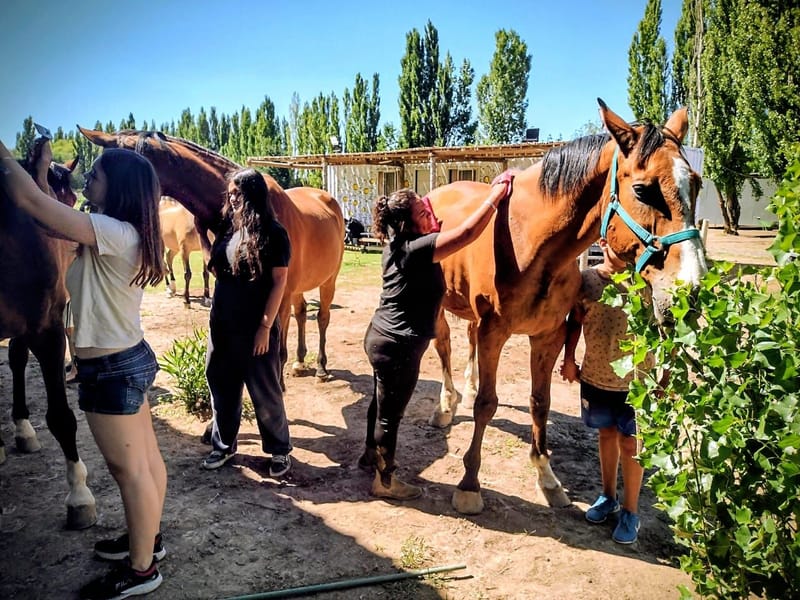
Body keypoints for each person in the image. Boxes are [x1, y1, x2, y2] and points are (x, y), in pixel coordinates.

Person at [1, 139, 168, 598]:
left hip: (110, 368)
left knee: (128, 470)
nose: (86, 179)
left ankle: (141, 571)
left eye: (96, 174)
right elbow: (46, 215)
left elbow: (31, 203)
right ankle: (148, 541)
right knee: (146, 463)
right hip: (125, 358)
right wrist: (40, 172)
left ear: (119, 188)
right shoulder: (121, 231)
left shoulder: (110, 231)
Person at [360, 173, 515, 500]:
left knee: (380, 401)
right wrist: (495, 196)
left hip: (382, 337)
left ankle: (370, 456)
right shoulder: (417, 249)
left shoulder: (398, 246)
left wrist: (432, 224)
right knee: (390, 415)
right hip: (398, 345)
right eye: (422, 213)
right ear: (407, 224)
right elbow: (468, 233)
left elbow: (437, 234)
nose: (430, 214)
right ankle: (384, 482)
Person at [202, 168, 293, 479]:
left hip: (256, 328)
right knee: (222, 386)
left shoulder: (273, 233)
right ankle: (224, 445)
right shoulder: (227, 228)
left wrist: (265, 328)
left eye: (237, 193)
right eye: (230, 193)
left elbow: (280, 282)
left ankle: (279, 449)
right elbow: (218, 270)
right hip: (222, 326)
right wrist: (202, 237)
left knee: (265, 391)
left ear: (254, 194)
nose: (232, 198)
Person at [559, 237, 649, 544]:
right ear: (603, 242)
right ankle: (609, 497)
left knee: (631, 444)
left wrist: (665, 377)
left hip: (637, 381)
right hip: (596, 376)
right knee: (606, 435)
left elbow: (665, 324)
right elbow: (574, 321)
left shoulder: (644, 280)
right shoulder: (587, 280)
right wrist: (569, 359)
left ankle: (631, 511)